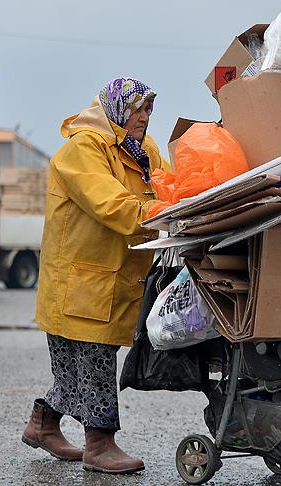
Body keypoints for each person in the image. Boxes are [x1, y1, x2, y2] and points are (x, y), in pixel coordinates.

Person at [21, 77, 171, 474]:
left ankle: (43, 425)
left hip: (113, 277)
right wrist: (165, 217)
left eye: (149, 109)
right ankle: (100, 445)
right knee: (95, 362)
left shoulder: (143, 150)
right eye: (138, 108)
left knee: (75, 371)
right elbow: (111, 204)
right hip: (80, 281)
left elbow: (170, 185)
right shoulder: (81, 149)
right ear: (117, 108)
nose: (144, 117)